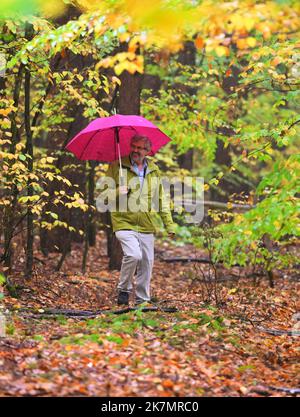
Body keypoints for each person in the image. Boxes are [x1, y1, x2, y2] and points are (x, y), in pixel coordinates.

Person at [101, 134, 176, 306]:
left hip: (146, 223)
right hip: (123, 220)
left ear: (148, 151)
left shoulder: (154, 170)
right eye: (134, 146)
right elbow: (102, 196)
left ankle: (143, 300)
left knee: (147, 262)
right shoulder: (117, 166)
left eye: (141, 148)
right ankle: (124, 289)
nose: (136, 150)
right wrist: (116, 191)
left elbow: (161, 199)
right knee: (133, 254)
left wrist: (169, 224)